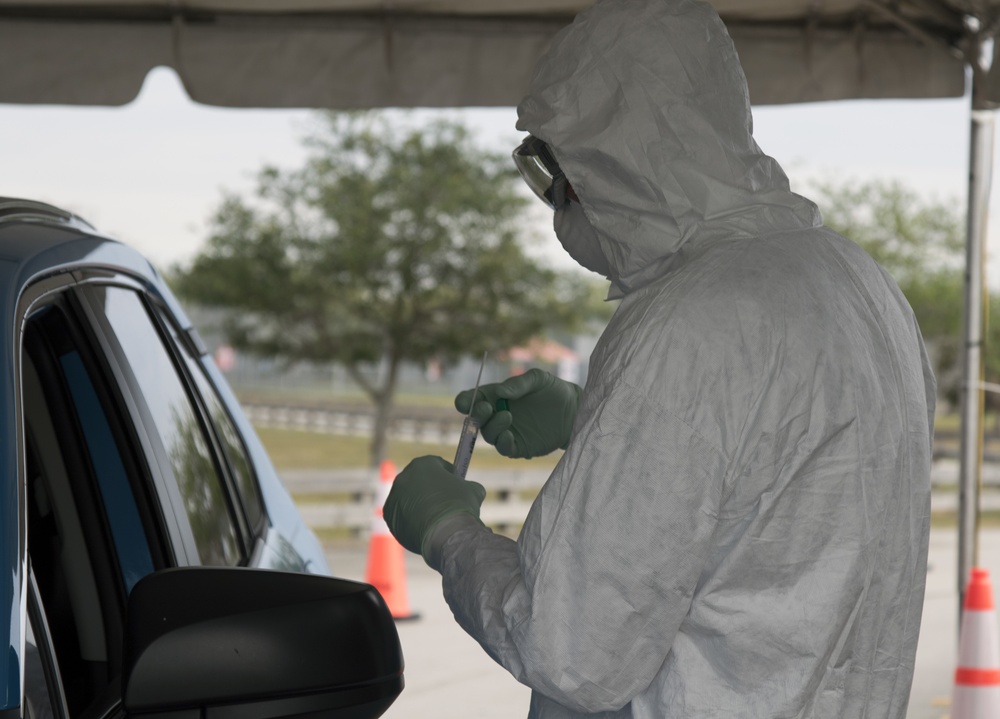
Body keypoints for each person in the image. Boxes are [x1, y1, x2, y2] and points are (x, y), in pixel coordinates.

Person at [383, 0, 937, 716]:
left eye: (559, 168)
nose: (560, 199)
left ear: (613, 159)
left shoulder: (689, 320)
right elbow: (780, 489)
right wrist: (596, 424)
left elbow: (572, 651)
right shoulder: (858, 282)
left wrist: (447, 530)